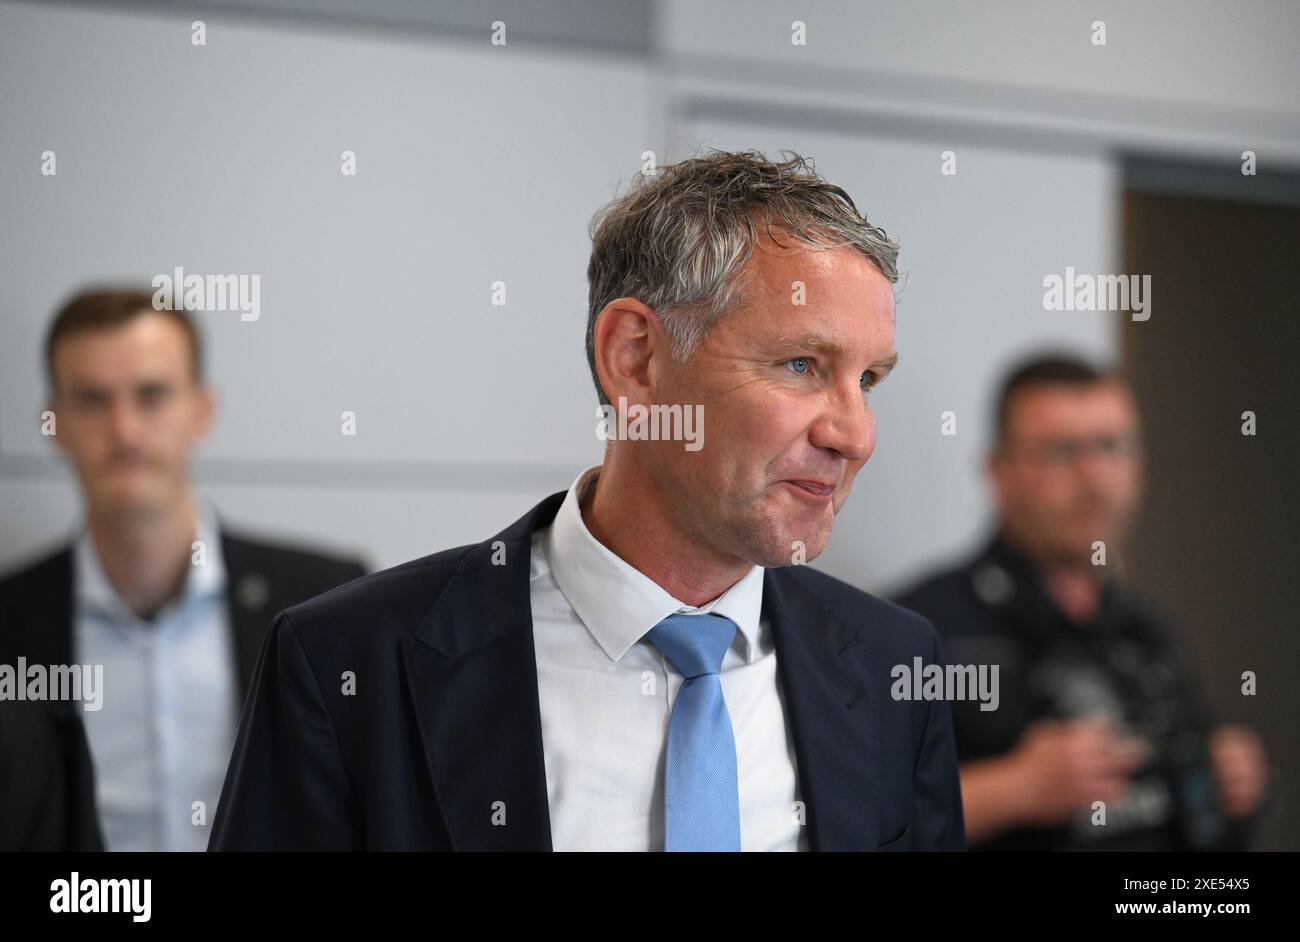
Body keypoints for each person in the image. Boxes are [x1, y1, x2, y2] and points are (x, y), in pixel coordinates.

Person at [209, 150, 965, 851]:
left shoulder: (891, 662)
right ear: (634, 359)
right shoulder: (348, 662)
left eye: (868, 381)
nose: (855, 434)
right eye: (802, 364)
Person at [0, 289, 367, 851]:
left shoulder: (329, 600)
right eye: (93, 400)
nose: (124, 430)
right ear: (53, 423)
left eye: (151, 395)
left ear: (202, 410)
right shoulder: (10, 619)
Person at [894, 354, 1268, 850]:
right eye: (1062, 451)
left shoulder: (1149, 633)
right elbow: (859, 820)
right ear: (999, 472)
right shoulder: (919, 629)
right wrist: (1014, 789)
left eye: (1112, 447)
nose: (1094, 477)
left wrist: (1228, 787)